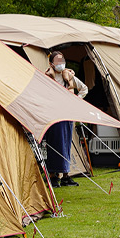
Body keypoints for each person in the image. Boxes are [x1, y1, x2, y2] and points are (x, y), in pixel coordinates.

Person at [44, 50, 88, 188]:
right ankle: (53, 176)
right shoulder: (47, 77)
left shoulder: (68, 76)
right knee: (53, 145)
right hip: (53, 116)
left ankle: (65, 176)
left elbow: (84, 89)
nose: (60, 64)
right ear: (51, 63)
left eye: (62, 61)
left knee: (66, 144)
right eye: (57, 62)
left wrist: (75, 100)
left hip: (67, 115)